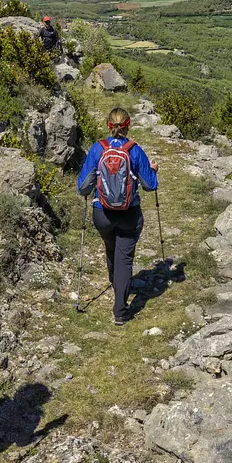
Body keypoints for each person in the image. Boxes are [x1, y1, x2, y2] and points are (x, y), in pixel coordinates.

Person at [77, 108, 158, 325]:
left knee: (110, 246)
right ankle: (120, 311)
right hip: (129, 214)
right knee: (124, 258)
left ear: (108, 125)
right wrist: (154, 170)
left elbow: (83, 187)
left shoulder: (98, 149)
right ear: (128, 125)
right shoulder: (134, 150)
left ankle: (115, 281)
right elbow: (150, 185)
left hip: (102, 213)